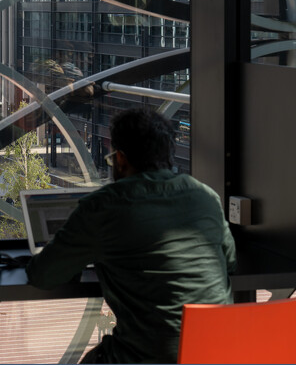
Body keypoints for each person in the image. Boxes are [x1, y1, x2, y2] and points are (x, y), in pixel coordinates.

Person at [26, 108, 237, 363]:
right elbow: (230, 262)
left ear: (121, 159)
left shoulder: (105, 205)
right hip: (218, 353)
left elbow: (43, 275)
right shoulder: (206, 196)